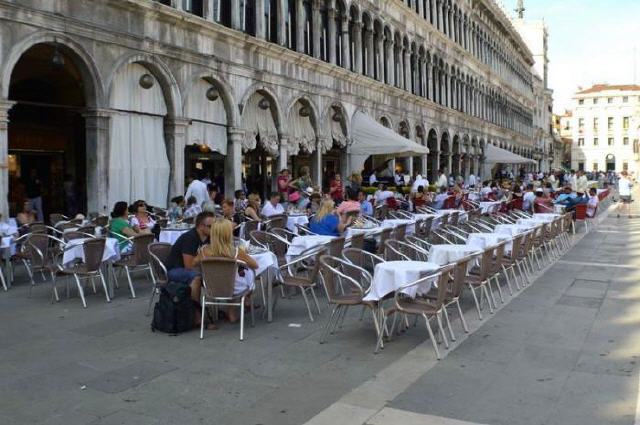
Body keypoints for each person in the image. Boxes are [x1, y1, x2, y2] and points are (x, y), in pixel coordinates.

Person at [200, 218, 258, 323]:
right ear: (228, 234)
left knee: (231, 276)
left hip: (212, 287)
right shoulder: (236, 252)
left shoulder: (204, 251)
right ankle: (244, 303)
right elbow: (255, 265)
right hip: (234, 287)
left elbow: (193, 263)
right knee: (246, 274)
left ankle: (231, 312)